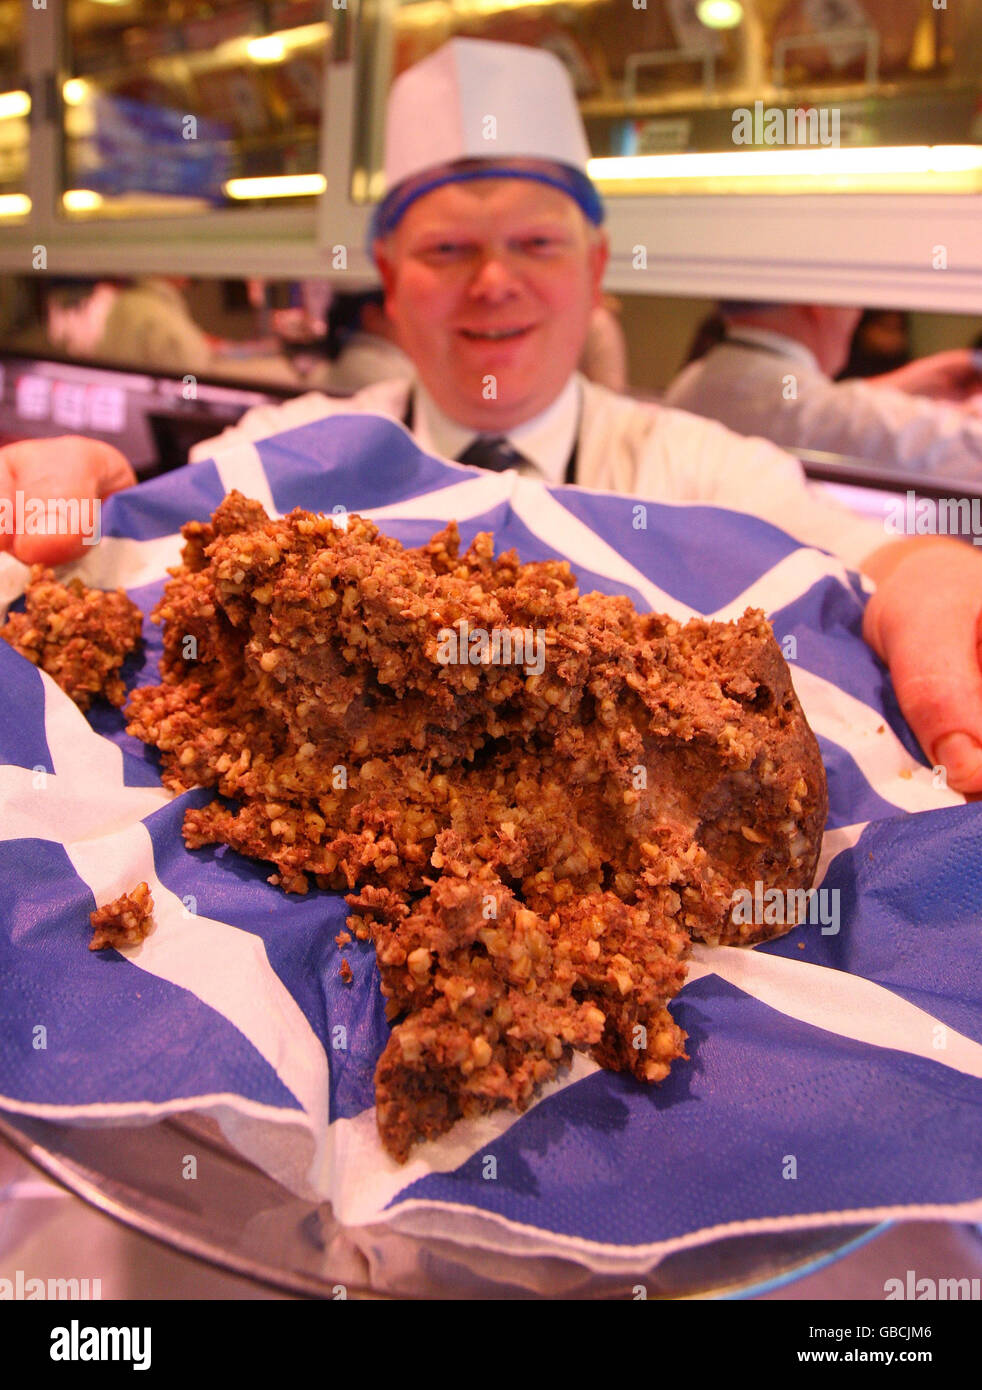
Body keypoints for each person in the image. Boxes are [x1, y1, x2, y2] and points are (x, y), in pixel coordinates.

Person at [3, 37, 982, 793]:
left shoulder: (699, 467)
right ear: (388, 278)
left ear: (595, 270)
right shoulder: (294, 455)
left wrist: (938, 580)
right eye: (446, 252)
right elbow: (164, 532)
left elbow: (867, 562)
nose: (494, 284)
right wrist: (84, 477)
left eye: (534, 243)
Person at [663, 300, 982, 476]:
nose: (856, 314)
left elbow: (812, 406)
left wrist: (899, 384)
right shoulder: (811, 409)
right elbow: (967, 447)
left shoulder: (690, 383)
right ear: (819, 302)